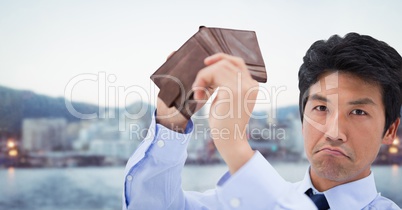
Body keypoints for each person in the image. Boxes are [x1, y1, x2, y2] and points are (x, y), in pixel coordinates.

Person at [122, 33, 402, 210]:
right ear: (302, 116)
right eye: (320, 107)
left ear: (389, 130)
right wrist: (172, 122)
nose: (334, 132)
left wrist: (235, 146)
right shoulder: (243, 201)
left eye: (358, 112)